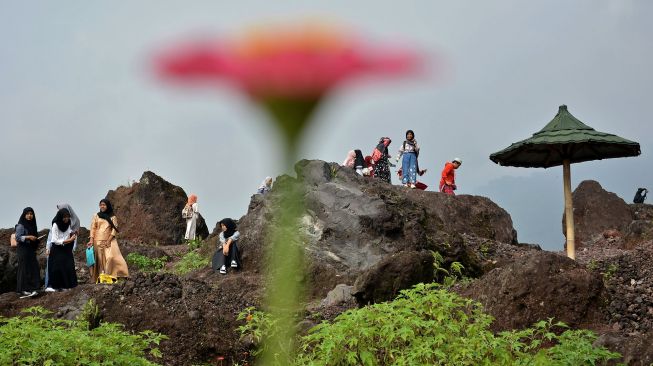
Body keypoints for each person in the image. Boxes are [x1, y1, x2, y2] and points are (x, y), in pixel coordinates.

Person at [87, 199, 129, 284]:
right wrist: (91, 240)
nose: (102, 206)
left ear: (108, 206)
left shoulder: (113, 217)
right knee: (100, 260)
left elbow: (114, 229)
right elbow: (93, 228)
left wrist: (109, 240)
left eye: (104, 205)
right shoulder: (96, 216)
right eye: (101, 205)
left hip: (109, 240)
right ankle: (101, 277)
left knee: (110, 257)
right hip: (97, 240)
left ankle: (113, 275)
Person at [45, 203, 80, 290]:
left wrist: (74, 234)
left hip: (66, 248)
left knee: (67, 266)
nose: (66, 219)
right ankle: (51, 286)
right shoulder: (56, 224)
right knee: (56, 267)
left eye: (68, 217)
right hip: (57, 247)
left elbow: (70, 232)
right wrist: (47, 247)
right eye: (64, 217)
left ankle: (67, 285)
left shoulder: (70, 222)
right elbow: (53, 238)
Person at [15, 207, 41, 298]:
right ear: (24, 215)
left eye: (31, 214)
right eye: (27, 214)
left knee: (33, 267)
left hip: (30, 249)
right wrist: (28, 237)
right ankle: (22, 289)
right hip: (23, 249)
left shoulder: (33, 225)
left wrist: (36, 240)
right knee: (24, 268)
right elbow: (18, 237)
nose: (29, 216)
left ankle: (33, 288)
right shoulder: (20, 225)